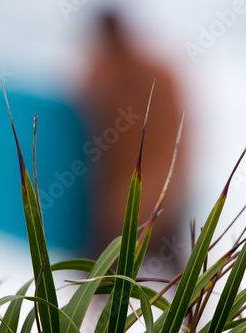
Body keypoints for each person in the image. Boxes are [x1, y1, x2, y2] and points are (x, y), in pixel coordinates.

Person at [79, 11, 192, 270]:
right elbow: (82, 139)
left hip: (158, 198)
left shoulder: (157, 76)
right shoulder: (100, 73)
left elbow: (178, 142)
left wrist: (159, 195)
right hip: (117, 202)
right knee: (96, 282)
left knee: (177, 282)